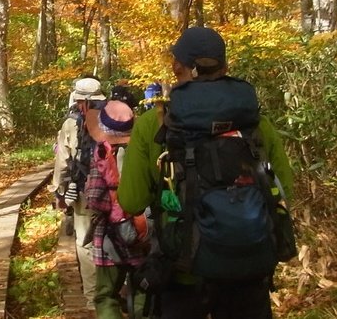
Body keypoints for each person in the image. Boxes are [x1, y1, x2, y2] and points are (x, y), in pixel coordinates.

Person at [118, 27, 294, 319]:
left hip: (182, 273)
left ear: (177, 68)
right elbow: (284, 189)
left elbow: (132, 200)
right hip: (247, 271)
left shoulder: (156, 123)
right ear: (225, 67)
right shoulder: (256, 125)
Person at [84, 99, 150, 319]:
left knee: (106, 296)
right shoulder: (142, 151)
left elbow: (95, 199)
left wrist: (112, 207)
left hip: (110, 238)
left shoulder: (103, 154)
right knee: (143, 290)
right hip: (142, 232)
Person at [51, 77, 104, 306]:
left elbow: (62, 161)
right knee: (116, 238)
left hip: (83, 191)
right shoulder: (114, 117)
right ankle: (116, 291)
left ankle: (93, 299)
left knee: (85, 242)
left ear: (80, 100)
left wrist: (58, 190)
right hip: (114, 190)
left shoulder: (72, 123)